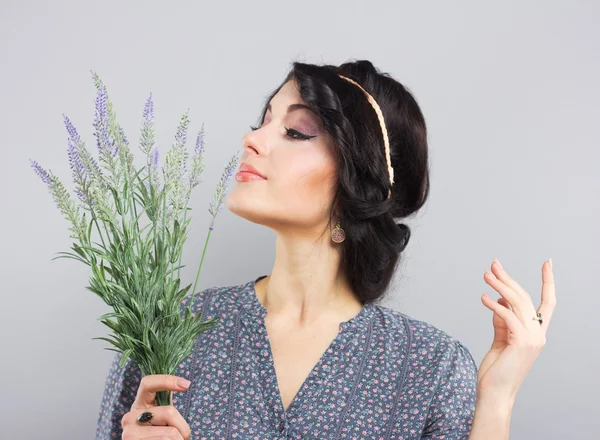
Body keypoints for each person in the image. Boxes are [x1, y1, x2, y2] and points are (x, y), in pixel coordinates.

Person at [96, 59, 556, 439]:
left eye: (295, 131)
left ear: (357, 179)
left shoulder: (429, 367)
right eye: (263, 122)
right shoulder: (166, 336)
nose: (251, 139)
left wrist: (496, 400)